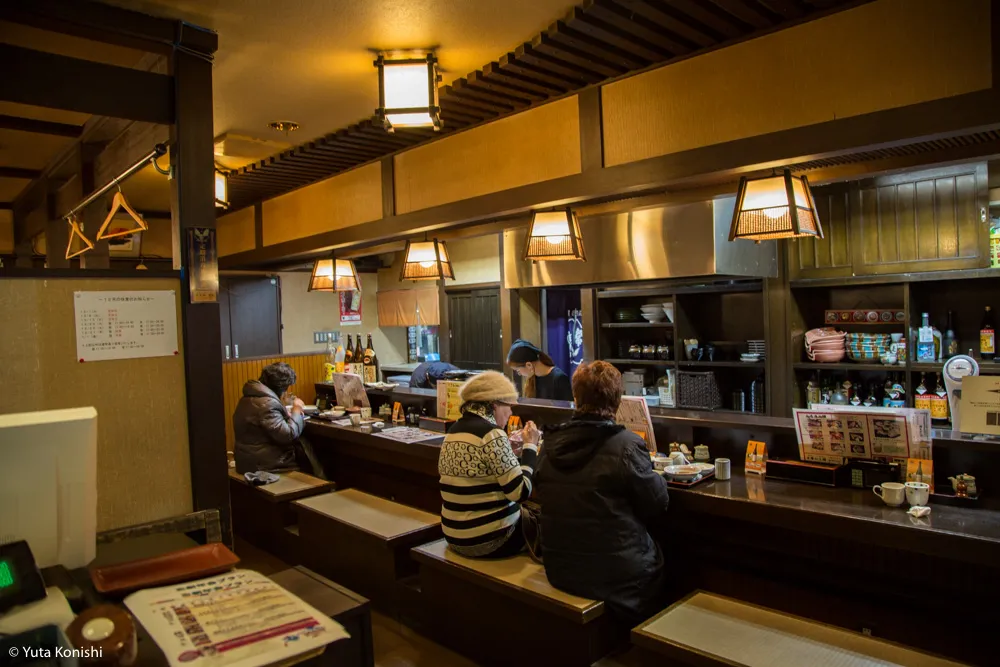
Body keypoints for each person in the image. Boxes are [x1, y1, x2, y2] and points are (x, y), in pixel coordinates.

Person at [534, 361, 669, 626]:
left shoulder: (548, 445)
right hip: (618, 579)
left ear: (575, 398)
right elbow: (658, 503)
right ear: (618, 401)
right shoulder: (626, 446)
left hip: (560, 568)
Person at [438, 371, 541, 558]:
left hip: (453, 536)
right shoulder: (491, 434)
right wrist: (530, 446)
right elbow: (521, 493)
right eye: (508, 406)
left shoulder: (453, 431)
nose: (510, 413)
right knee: (547, 522)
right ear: (494, 405)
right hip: (490, 540)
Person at [233, 362, 324, 477]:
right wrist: (297, 410)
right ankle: (325, 485)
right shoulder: (268, 404)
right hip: (269, 466)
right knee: (311, 450)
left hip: (248, 463)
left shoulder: (249, 397)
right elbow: (288, 435)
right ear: (283, 388)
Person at [506, 339, 573, 401]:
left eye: (518, 370)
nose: (519, 374)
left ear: (529, 365)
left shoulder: (559, 379)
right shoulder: (532, 379)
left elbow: (569, 411)